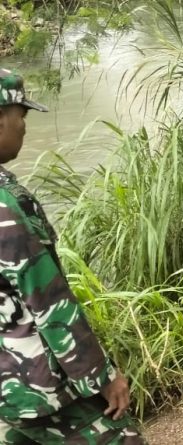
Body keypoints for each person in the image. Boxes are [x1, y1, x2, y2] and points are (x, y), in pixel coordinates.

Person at [0, 68, 142, 443]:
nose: (25, 126)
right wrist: (101, 376)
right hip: (36, 381)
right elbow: (47, 298)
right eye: (22, 115)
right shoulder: (6, 205)